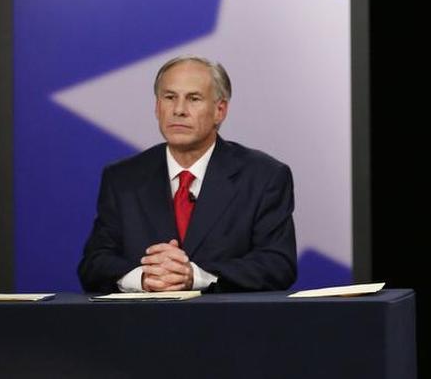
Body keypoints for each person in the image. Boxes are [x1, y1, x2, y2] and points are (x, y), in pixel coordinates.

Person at [78, 56, 297, 293]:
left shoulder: (264, 177)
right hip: (142, 326)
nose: (179, 110)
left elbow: (278, 265)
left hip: (229, 325)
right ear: (156, 106)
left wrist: (195, 276)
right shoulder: (122, 178)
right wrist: (144, 277)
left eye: (194, 99)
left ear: (220, 110)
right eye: (169, 97)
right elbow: (94, 264)